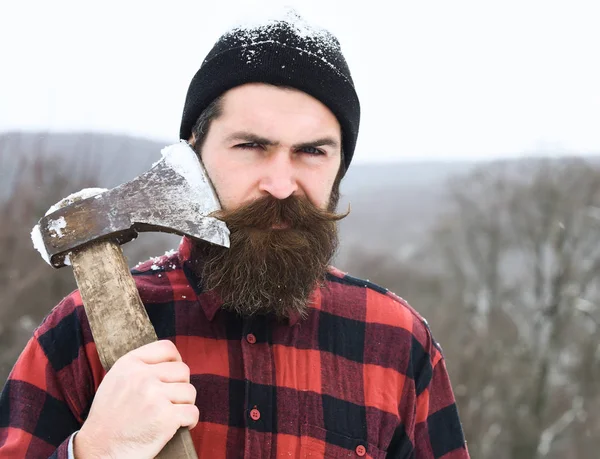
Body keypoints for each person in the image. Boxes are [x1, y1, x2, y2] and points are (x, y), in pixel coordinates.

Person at [0, 11, 470, 459]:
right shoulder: (81, 332)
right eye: (251, 146)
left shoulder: (395, 340)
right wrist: (94, 450)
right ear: (193, 155)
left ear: (339, 168)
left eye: (311, 151)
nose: (281, 184)